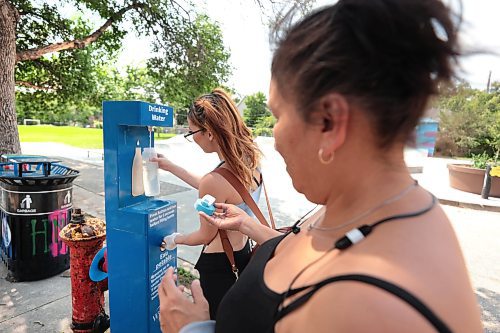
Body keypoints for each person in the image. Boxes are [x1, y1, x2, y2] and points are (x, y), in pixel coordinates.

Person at [158, 0, 484, 332]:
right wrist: (249, 226)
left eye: (278, 115)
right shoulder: (362, 206)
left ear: (330, 122)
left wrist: (190, 328)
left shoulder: (372, 308)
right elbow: (310, 249)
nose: (275, 137)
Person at [154, 88, 264, 319]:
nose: (192, 138)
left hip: (219, 265)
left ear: (210, 133)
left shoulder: (214, 181)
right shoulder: (251, 161)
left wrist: (176, 239)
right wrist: (172, 167)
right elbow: (219, 190)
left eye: (192, 132)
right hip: (242, 255)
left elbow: (204, 236)